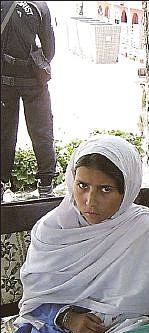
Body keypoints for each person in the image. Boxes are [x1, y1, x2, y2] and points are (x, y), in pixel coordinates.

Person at [1, 135, 149, 333]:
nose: (90, 201)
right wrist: (69, 318)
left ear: (127, 191)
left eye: (105, 189)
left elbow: (146, 307)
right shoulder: (51, 230)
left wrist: (102, 324)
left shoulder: (141, 229)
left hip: (122, 328)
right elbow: (37, 300)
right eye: (82, 185)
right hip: (56, 326)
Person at [1, 1, 57, 200]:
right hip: (34, 82)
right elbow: (49, 50)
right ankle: (46, 185)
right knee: (42, 132)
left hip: (4, 81)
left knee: (4, 133)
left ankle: (1, 183)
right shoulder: (40, 6)